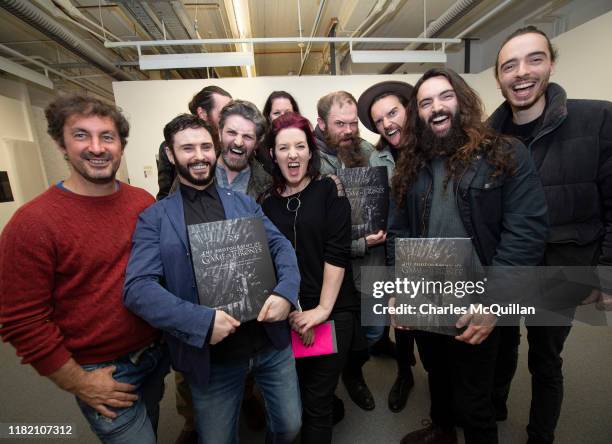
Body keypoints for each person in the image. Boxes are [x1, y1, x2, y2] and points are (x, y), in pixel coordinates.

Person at [388, 68, 548, 444]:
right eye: (425, 102)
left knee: (476, 399)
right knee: (437, 378)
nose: (436, 107)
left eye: (445, 96)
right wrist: (399, 290)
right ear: (418, 114)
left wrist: (494, 302)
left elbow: (525, 232)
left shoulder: (505, 153)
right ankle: (442, 431)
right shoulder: (410, 165)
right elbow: (399, 231)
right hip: (425, 295)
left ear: (462, 100)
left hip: (479, 298)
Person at [0, 94, 169, 443]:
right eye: (81, 135)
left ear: (121, 145)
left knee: (151, 425)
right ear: (60, 143)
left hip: (154, 354)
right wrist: (79, 382)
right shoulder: (32, 223)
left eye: (107, 137)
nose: (97, 147)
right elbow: (21, 319)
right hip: (101, 371)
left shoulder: (142, 201)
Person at [124, 113, 302, 444]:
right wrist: (202, 322)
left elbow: (281, 247)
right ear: (169, 154)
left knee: (290, 427)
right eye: (187, 148)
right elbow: (138, 290)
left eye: (206, 146)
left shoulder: (244, 202)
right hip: (212, 359)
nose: (200, 156)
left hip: (268, 344)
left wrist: (286, 291)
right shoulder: (156, 218)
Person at [489, 26, 612, 444]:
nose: (522, 73)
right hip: (508, 265)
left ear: (551, 64)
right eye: (510, 65)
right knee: (501, 347)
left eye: (534, 59)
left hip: (564, 265)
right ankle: (496, 406)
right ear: (499, 76)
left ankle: (540, 435)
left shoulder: (597, 119)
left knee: (545, 358)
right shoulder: (490, 138)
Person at [261, 112, 359, 443]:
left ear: (310, 150)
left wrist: (320, 311)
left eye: (299, 146)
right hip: (287, 315)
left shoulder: (330, 189)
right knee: (299, 395)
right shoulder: (265, 203)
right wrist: (288, 310)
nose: (293, 154)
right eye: (284, 147)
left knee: (317, 403)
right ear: (273, 154)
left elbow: (337, 252)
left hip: (332, 310)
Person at [357, 80, 418, 414]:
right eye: (379, 121)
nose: (387, 124)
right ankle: (405, 374)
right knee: (402, 318)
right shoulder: (375, 158)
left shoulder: (433, 146)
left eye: (392, 113)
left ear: (409, 109)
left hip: (435, 246)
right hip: (394, 249)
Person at [314, 90, 377, 412]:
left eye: (353, 123)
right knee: (329, 334)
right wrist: (360, 244)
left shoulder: (366, 150)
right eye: (340, 124)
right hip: (328, 264)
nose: (349, 130)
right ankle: (330, 389)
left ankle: (354, 373)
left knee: (368, 331)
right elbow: (318, 232)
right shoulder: (307, 158)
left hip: (367, 261)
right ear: (321, 123)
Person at [157, 85, 232, 200]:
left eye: (206, 147)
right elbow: (165, 193)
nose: (230, 118)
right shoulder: (170, 146)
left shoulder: (229, 145)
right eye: (224, 113)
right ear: (202, 113)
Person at [215, 100, 272, 200]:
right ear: (220, 133)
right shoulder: (196, 174)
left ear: (257, 144)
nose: (238, 142)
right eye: (232, 133)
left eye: (247, 137)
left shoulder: (266, 185)